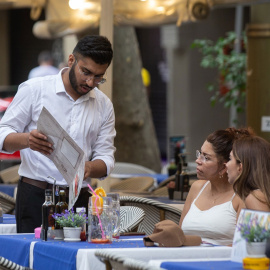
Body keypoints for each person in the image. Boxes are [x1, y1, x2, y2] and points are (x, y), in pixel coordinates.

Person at [0, 35, 116, 233]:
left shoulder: (104, 105)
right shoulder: (35, 89)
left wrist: (88, 168)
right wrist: (28, 140)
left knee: (71, 261)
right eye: (86, 72)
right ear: (71, 60)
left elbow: (106, 157)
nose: (90, 82)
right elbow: (2, 135)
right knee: (33, 260)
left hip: (78, 197)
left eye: (99, 77)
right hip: (35, 194)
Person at [179, 128, 250, 246]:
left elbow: (242, 246)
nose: (197, 160)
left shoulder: (242, 196)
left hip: (220, 261)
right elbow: (180, 234)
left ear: (224, 167)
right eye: (199, 154)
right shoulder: (197, 188)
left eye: (206, 158)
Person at [226, 134, 270, 212]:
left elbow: (261, 224)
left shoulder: (255, 198)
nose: (226, 164)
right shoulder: (260, 195)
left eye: (229, 159)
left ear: (240, 167)